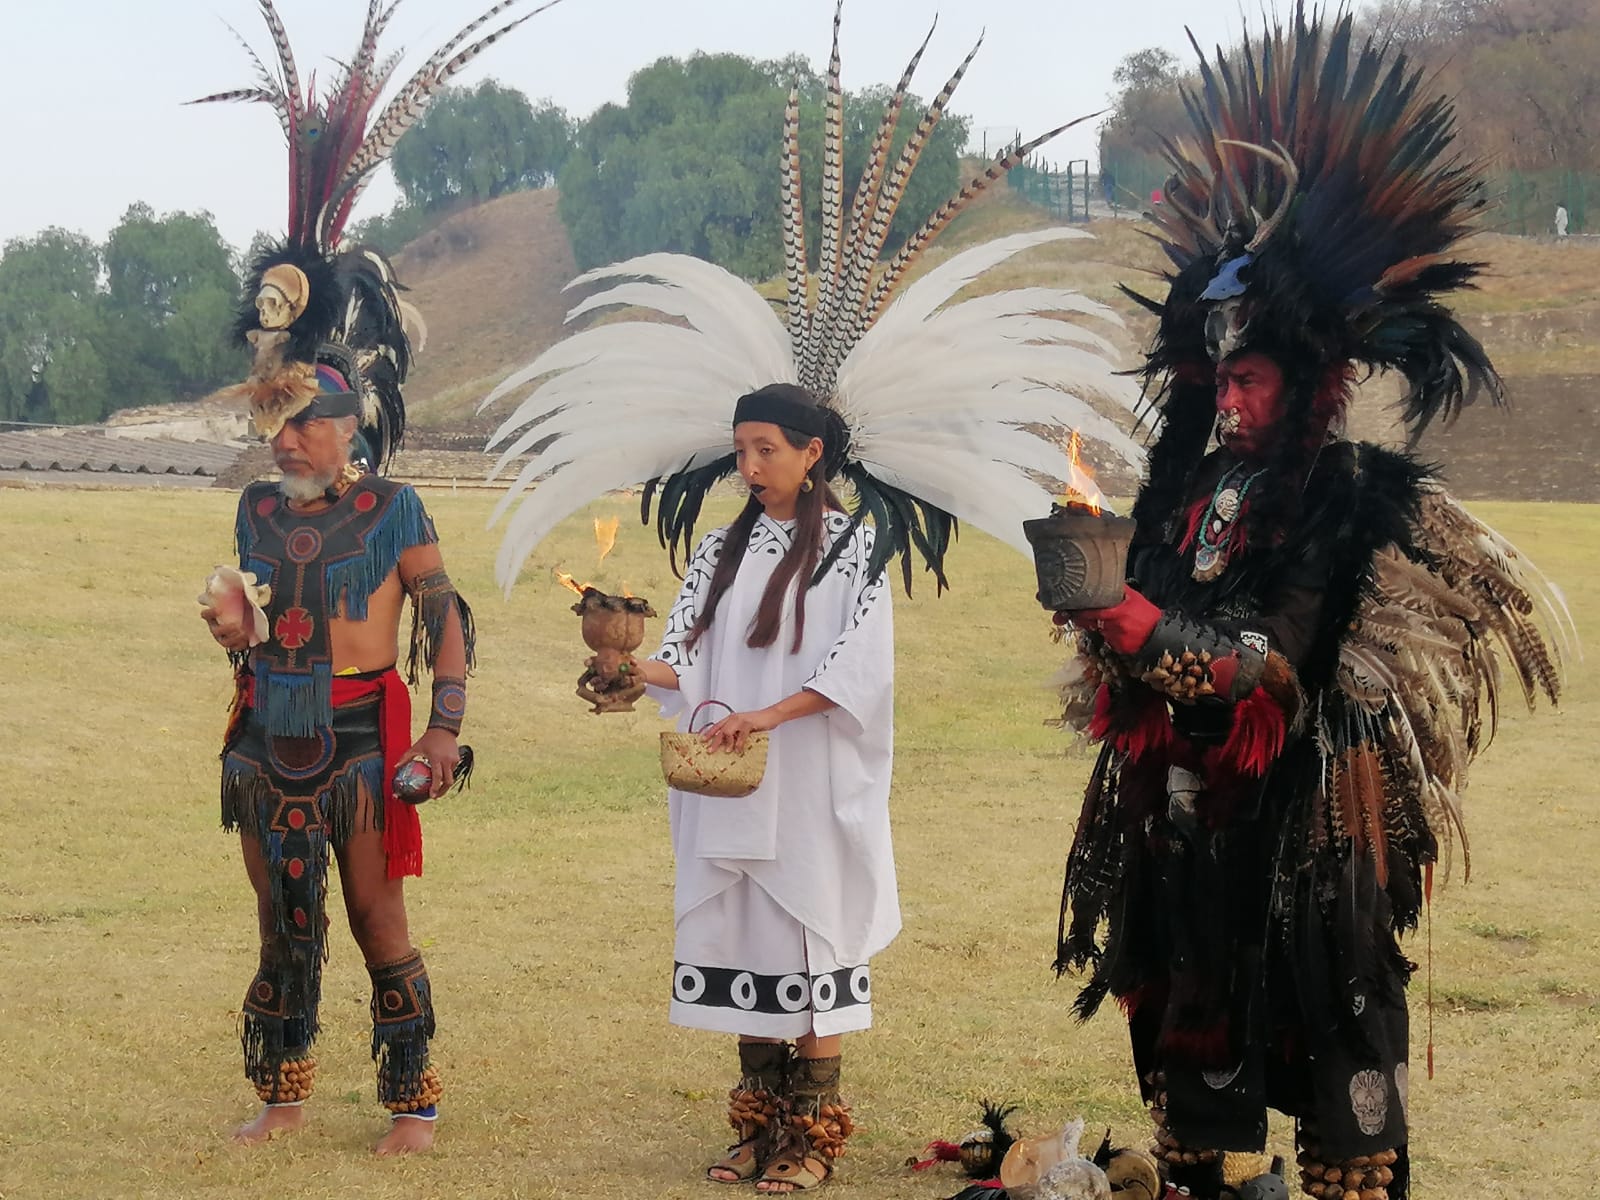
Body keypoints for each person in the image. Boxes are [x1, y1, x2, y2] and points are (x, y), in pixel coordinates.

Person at [479, 8, 1136, 1189]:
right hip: (727, 786)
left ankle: (811, 1140)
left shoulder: (850, 554)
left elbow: (851, 675)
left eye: (767, 449)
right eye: (740, 447)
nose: (749, 463)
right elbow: (685, 651)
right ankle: (755, 1125)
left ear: (813, 455)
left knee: (808, 942)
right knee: (739, 944)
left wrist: (757, 720)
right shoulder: (723, 552)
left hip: (811, 785)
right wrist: (640, 673)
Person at [1038, 12, 1566, 1200]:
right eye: (1217, 377)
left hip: (1304, 808)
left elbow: (1268, 668)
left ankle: (1343, 1174)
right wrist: (1093, 608)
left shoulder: (1342, 491)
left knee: (1330, 1018)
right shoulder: (1184, 485)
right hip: (1177, 796)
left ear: (1306, 378)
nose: (1229, 399)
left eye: (1252, 376)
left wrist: (1123, 617)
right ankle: (1201, 1173)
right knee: (1177, 1006)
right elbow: (1149, 635)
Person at [189, 0, 551, 1151]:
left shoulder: (396, 507)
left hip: (358, 739)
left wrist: (442, 737)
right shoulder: (253, 506)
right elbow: (260, 622)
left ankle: (413, 1103)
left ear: (351, 421)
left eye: (303, 422)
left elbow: (446, 625)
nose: (284, 440)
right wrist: (234, 631)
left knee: (374, 914)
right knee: (277, 919)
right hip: (263, 729)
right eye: (274, 421)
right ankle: (281, 1092)